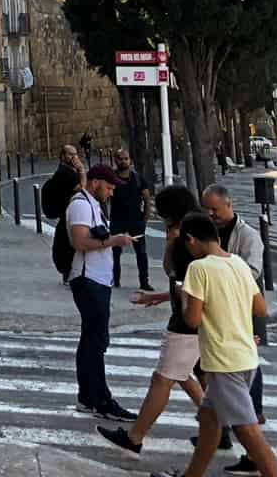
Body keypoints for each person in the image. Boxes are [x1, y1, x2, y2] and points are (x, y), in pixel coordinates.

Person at [153, 212, 277, 477]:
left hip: (223, 362)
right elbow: (260, 308)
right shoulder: (237, 263)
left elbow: (192, 319)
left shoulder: (198, 269)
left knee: (247, 431)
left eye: (186, 244)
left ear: (190, 239)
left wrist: (184, 294)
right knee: (209, 422)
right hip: (245, 357)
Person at [100, 186, 204, 457]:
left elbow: (174, 272)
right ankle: (216, 421)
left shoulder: (185, 240)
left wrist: (171, 241)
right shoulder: (195, 232)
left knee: (162, 379)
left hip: (185, 325)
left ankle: (135, 437)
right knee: (180, 375)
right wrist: (158, 296)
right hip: (190, 321)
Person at [191, 186, 265, 460]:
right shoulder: (206, 234)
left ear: (229, 204)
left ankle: (253, 429)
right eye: (206, 209)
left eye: (215, 209)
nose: (211, 214)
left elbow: (253, 273)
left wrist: (222, 272)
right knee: (211, 410)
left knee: (248, 369)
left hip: (239, 314)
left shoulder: (247, 236)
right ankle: (218, 437)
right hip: (217, 317)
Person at [65, 163, 136, 421]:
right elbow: (80, 241)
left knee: (92, 340)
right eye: (108, 187)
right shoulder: (81, 205)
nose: (111, 193)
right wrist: (114, 240)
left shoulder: (93, 204)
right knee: (95, 341)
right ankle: (100, 399)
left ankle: (88, 396)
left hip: (98, 280)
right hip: (88, 279)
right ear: (95, 182)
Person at [41, 143, 85, 285]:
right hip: (67, 214)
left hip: (70, 213)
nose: (73, 157)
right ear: (62, 156)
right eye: (70, 154)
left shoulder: (70, 172)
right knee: (68, 246)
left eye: (75, 154)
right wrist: (82, 170)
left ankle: (71, 273)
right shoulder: (63, 173)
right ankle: (69, 274)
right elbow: (81, 188)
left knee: (69, 245)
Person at [109, 148, 153, 291]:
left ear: (130, 160)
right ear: (116, 160)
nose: (123, 161)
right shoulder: (111, 178)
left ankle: (144, 281)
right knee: (115, 253)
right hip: (117, 221)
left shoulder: (139, 179)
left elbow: (147, 199)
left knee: (141, 253)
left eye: (126, 158)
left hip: (136, 221)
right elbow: (103, 199)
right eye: (120, 158)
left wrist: (144, 219)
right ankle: (115, 280)